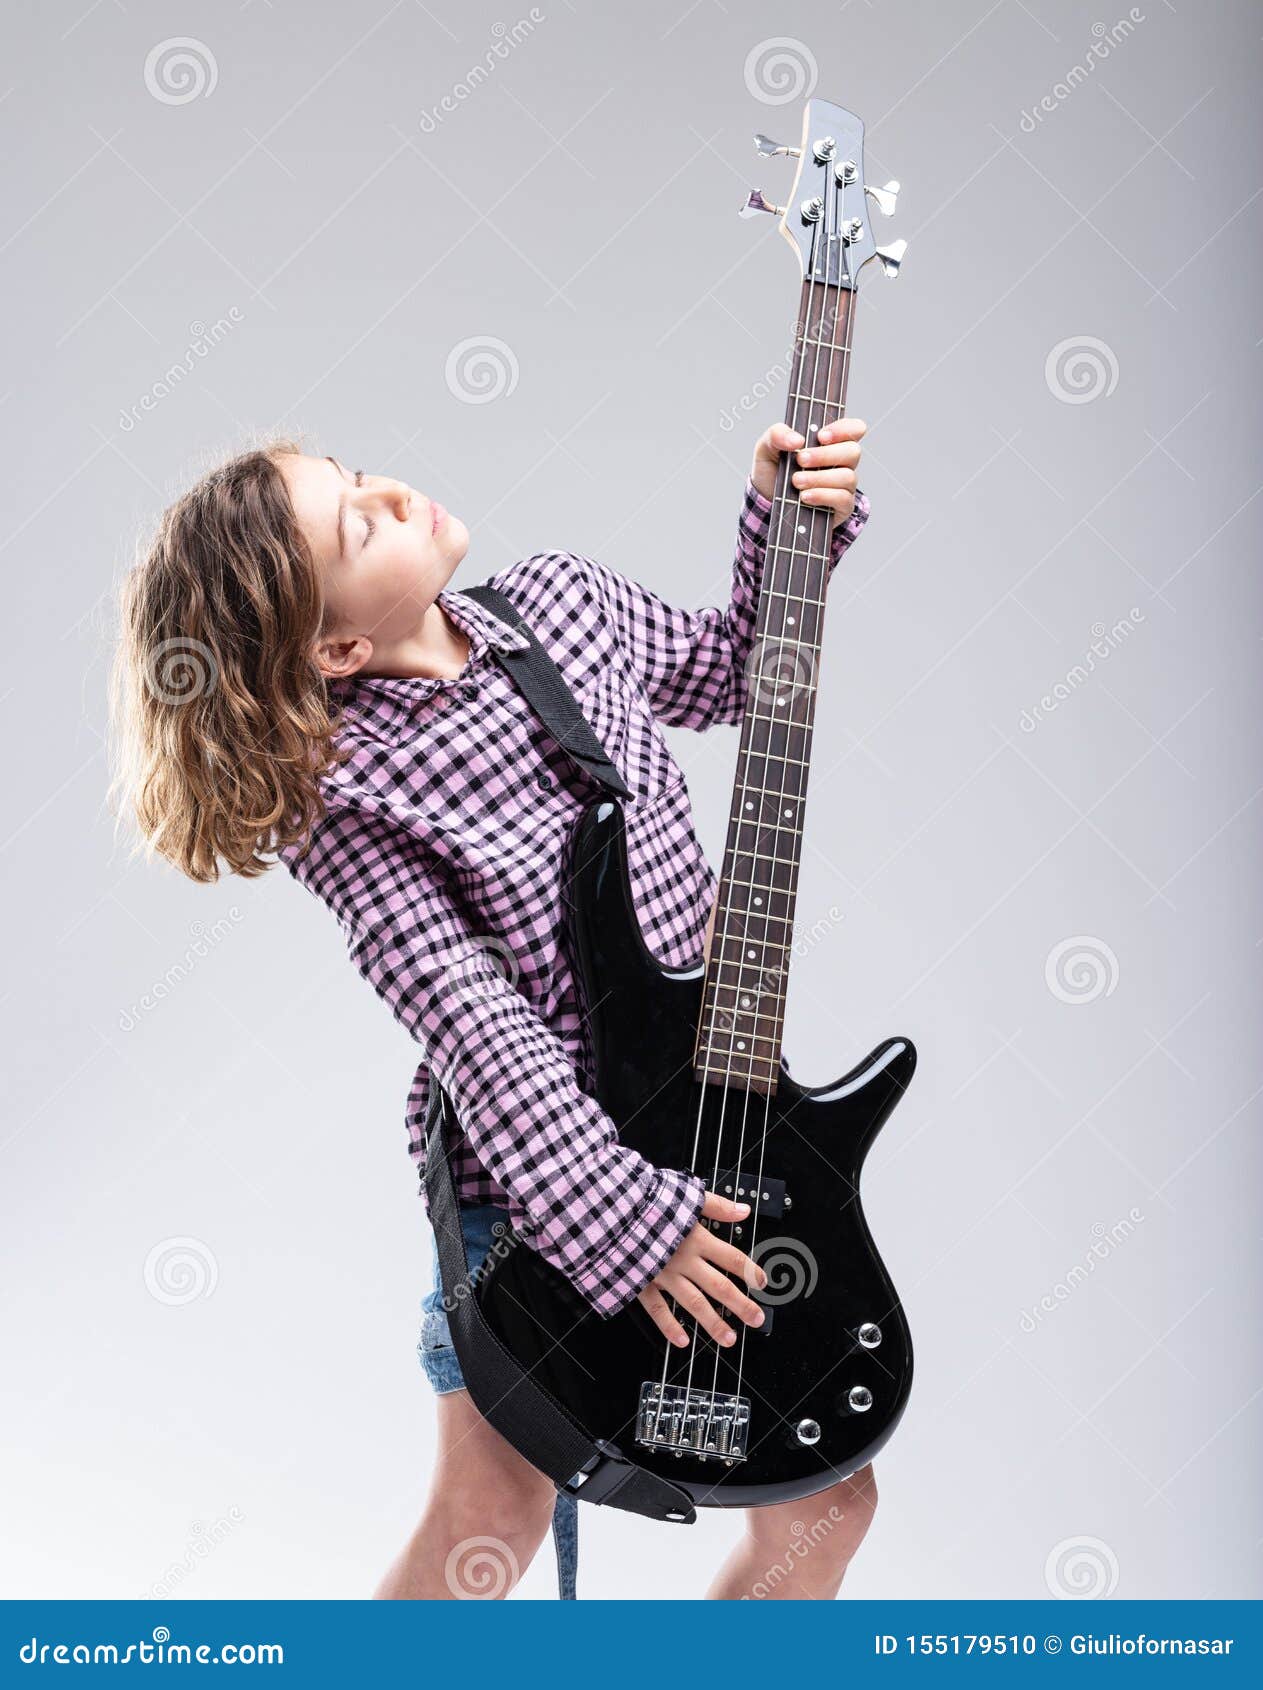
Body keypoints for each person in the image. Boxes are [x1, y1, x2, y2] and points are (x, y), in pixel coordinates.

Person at [110, 416, 879, 1599]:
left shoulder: (568, 603)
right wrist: (631, 1224)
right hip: (532, 1201)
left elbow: (734, 670)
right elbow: (477, 1026)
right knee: (492, 1516)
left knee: (829, 1492)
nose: (391, 493)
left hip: (711, 1146)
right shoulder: (347, 802)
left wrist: (789, 524)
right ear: (335, 650)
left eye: (360, 476)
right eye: (355, 522)